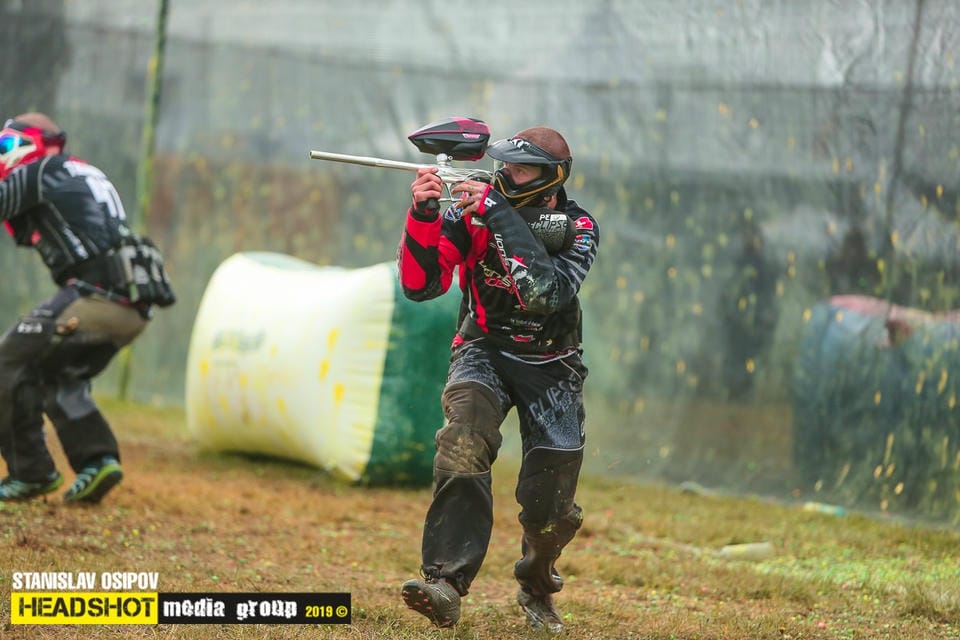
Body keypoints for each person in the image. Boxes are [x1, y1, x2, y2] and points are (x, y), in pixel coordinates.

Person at [397, 125, 599, 633]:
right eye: (505, 164)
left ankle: (536, 584)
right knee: (462, 442)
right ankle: (445, 581)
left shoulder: (579, 227)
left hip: (552, 364)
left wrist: (497, 213)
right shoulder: (472, 212)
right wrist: (424, 215)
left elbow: (546, 294)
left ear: (552, 177)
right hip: (483, 350)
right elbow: (421, 286)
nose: (507, 174)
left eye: (521, 169)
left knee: (550, 504)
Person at [0, 112, 175, 503]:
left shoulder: (40, 170)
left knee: (7, 361)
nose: (2, 153)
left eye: (6, 144)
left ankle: (31, 473)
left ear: (32, 144)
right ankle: (98, 462)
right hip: (132, 305)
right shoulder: (78, 170)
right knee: (57, 373)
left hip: (97, 296)